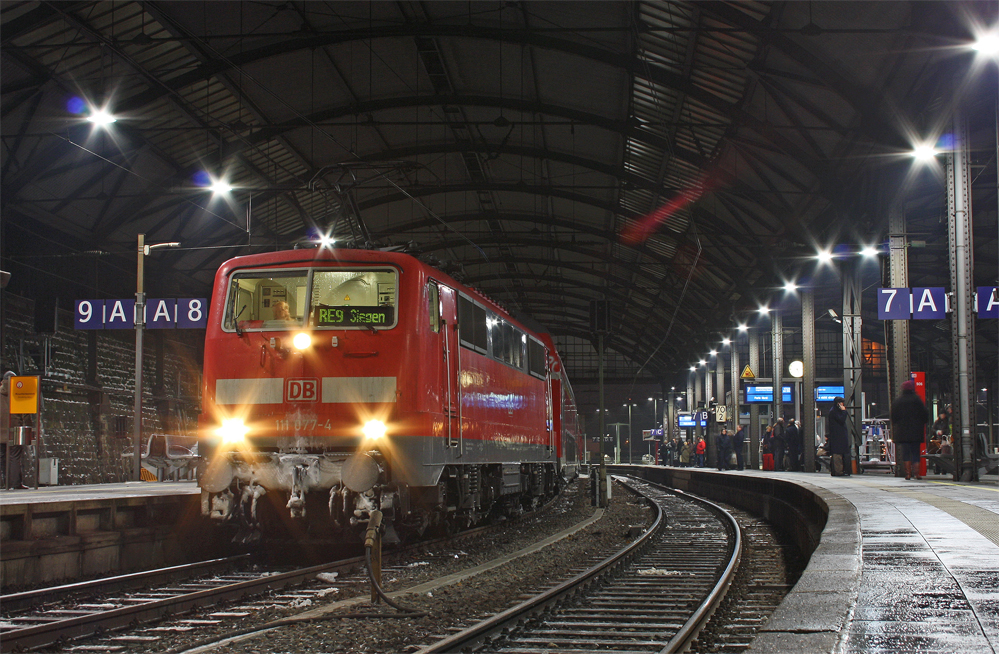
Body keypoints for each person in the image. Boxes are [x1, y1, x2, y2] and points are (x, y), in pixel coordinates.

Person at [891, 379, 929, 480]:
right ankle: (917, 474)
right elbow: (925, 415)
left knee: (906, 452)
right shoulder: (918, 400)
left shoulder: (899, 401)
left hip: (903, 432)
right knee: (916, 452)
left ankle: (908, 474)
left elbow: (894, 416)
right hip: (916, 431)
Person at [1, 371, 26, 489]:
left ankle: (4, 483)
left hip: (0, 432)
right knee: (14, 457)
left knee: (2, 457)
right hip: (15, 431)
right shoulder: (18, 393)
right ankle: (15, 483)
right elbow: (25, 414)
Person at [827, 397, 851, 476]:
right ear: (838, 403)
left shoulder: (834, 411)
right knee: (837, 455)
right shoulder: (834, 411)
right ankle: (838, 471)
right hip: (837, 437)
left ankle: (840, 471)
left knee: (840, 454)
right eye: (841, 403)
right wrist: (844, 411)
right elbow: (841, 420)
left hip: (838, 437)